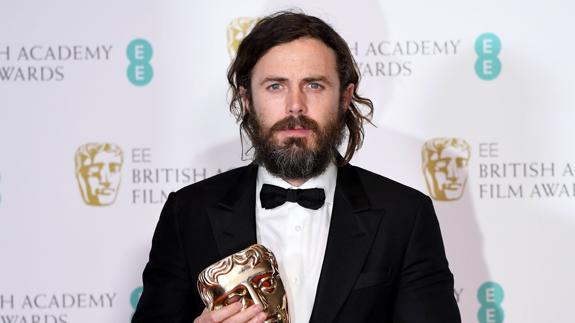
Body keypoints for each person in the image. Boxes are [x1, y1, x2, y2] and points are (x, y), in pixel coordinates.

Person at [132, 11, 460, 323]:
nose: (295, 105)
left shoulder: (405, 215)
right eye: (275, 86)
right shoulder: (188, 212)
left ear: (345, 97)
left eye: (314, 85)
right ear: (247, 99)